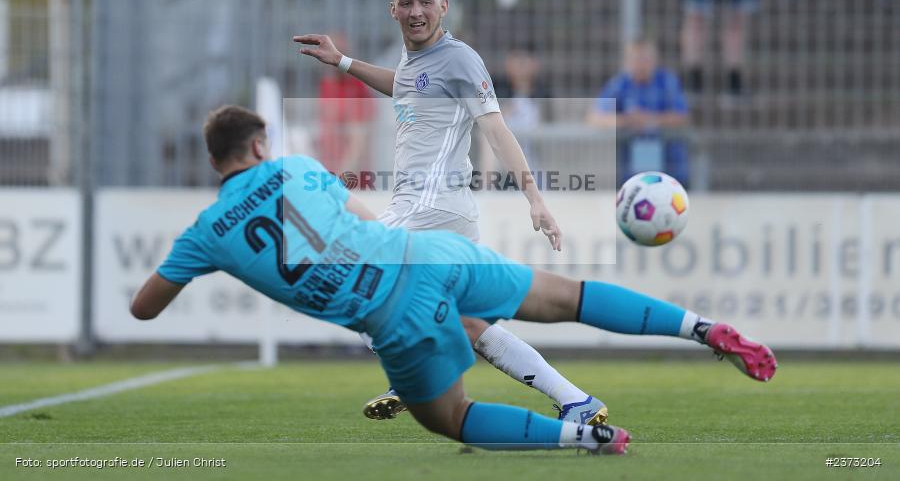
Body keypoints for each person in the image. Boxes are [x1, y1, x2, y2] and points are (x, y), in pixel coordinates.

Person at [131, 105, 778, 454]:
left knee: (449, 420)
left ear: (215, 163)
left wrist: (193, 261)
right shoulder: (298, 166)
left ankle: (587, 435)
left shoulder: (204, 233)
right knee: (567, 296)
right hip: (428, 254)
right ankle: (703, 328)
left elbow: (144, 309)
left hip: (391, 318)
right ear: (261, 146)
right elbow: (360, 216)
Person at [293, 0, 606, 427]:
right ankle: (575, 400)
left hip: (430, 206)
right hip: (441, 210)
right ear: (393, 10)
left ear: (444, 7)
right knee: (476, 328)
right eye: (407, 3)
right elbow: (403, 84)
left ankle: (412, 369)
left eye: (425, 3)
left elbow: (496, 129)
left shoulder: (459, 60)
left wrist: (534, 196)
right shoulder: (416, 59)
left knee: (346, 273)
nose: (415, 12)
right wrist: (343, 62)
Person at [586, 38, 690, 188]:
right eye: (636, 59)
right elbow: (595, 118)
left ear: (655, 60)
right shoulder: (619, 85)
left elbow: (682, 116)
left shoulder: (667, 83)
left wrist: (651, 120)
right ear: (627, 61)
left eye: (646, 59)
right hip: (630, 177)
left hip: (670, 172)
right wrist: (627, 121)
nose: (641, 65)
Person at [316, 32, 375, 177]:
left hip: (350, 172)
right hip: (329, 163)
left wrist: (343, 174)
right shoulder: (327, 84)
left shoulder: (357, 87)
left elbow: (359, 138)